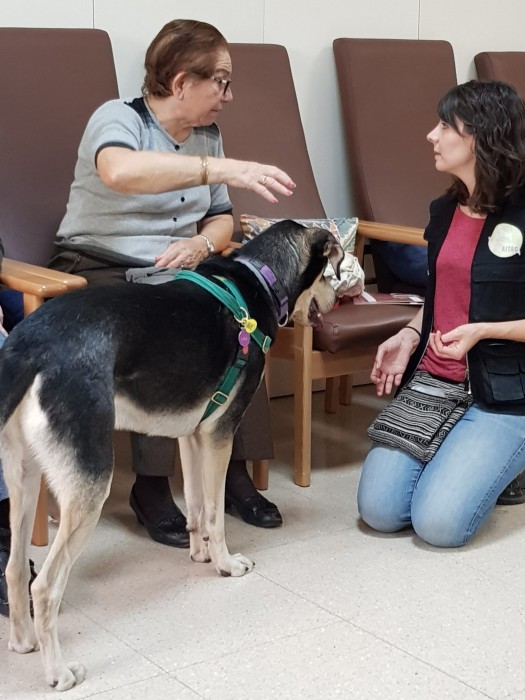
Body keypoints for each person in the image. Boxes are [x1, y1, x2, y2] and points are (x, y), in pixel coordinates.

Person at [48, 19, 295, 545]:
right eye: (221, 82)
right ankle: (152, 487)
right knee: (164, 326)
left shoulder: (207, 135)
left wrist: (201, 245)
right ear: (182, 82)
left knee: (243, 320)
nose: (228, 95)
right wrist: (219, 169)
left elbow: (222, 219)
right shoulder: (119, 117)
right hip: (99, 261)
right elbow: (119, 171)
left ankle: (234, 473)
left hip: (179, 266)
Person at [357, 80, 525, 547]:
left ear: (481, 136)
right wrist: (411, 335)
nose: (432, 135)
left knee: (439, 525)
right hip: (436, 378)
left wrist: (482, 331)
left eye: (445, 126)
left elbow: (477, 321)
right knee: (379, 510)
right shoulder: (444, 211)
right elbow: (440, 297)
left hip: (504, 389)